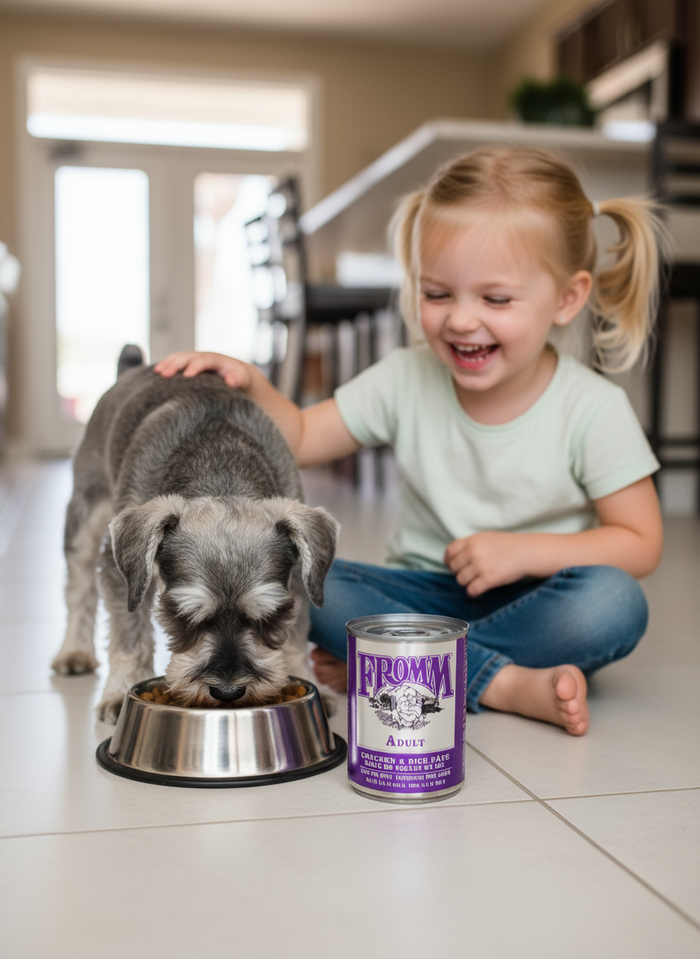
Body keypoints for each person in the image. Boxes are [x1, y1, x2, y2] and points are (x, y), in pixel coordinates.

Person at [155, 146, 666, 736]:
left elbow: (641, 543)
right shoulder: (405, 377)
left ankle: (403, 665)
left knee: (615, 602)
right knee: (299, 574)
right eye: (438, 293)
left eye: (495, 299)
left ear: (568, 298)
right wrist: (252, 382)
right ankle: (499, 680)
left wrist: (524, 552)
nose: (461, 319)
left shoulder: (593, 408)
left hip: (540, 595)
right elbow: (298, 437)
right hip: (419, 602)